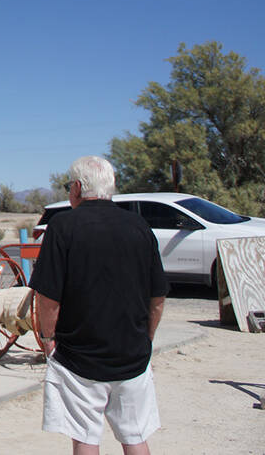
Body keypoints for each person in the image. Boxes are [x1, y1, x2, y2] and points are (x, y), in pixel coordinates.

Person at [30, 156, 167, 455]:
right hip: (132, 355)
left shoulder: (62, 226)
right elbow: (157, 298)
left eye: (69, 186)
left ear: (77, 188)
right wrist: (147, 338)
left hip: (79, 356)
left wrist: (48, 338)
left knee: (85, 438)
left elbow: (48, 297)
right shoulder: (139, 226)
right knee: (135, 435)